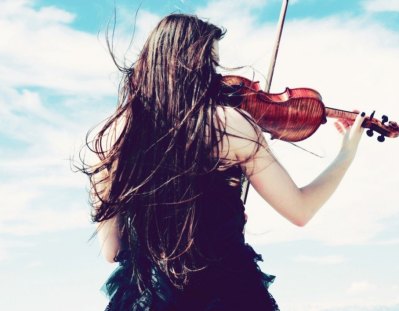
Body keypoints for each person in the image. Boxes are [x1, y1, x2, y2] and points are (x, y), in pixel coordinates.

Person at [82, 13, 366, 311]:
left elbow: (112, 250)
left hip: (148, 299)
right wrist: (346, 154)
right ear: (193, 66)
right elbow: (301, 210)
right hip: (229, 295)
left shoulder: (111, 140)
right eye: (211, 64)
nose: (216, 76)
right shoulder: (232, 126)